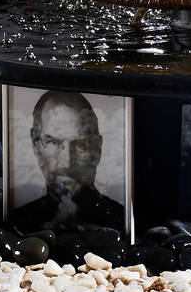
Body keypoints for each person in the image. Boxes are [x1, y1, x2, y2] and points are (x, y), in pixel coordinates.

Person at [18, 90, 125, 230]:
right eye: (53, 142)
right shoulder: (18, 221)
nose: (67, 163)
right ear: (35, 144)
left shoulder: (124, 221)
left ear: (97, 149)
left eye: (80, 145)